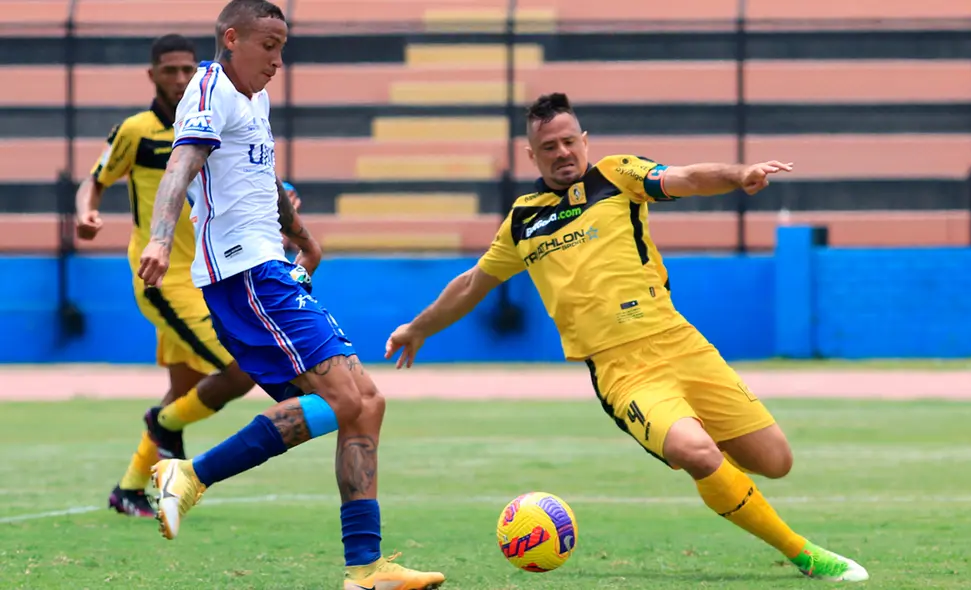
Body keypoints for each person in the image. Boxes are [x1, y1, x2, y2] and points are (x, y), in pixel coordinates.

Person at [384, 92, 869, 583]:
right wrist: (417, 327)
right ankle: (803, 553)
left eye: (569, 141)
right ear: (532, 155)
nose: (562, 152)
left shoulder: (617, 176)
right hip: (623, 372)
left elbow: (683, 177)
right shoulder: (523, 220)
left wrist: (736, 174)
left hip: (680, 343)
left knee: (775, 461)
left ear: (584, 141)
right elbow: (471, 284)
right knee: (696, 454)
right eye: (548, 146)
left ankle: (705, 453)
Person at [135, 2, 446, 589]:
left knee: (366, 403)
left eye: (283, 45)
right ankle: (189, 475)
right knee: (348, 401)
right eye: (269, 44)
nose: (279, 60)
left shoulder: (255, 98)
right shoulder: (209, 90)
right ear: (232, 38)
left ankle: (366, 568)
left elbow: (264, 175)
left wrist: (301, 235)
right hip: (245, 275)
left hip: (272, 268)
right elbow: (181, 164)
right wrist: (157, 238)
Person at [75, 33, 256, 519]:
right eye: (169, 70)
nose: (179, 79)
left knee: (184, 388)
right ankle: (164, 424)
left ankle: (130, 488)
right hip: (164, 281)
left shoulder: (210, 121)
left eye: (187, 71)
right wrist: (87, 213)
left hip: (209, 276)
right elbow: (93, 182)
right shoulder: (136, 131)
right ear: (151, 74)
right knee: (243, 368)